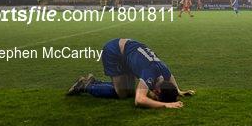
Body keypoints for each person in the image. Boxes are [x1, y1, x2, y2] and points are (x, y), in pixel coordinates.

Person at [67, 38, 195, 109]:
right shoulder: (149, 73)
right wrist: (166, 105)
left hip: (129, 51)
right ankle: (86, 85)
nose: (154, 96)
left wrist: (178, 91)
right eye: (155, 96)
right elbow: (139, 100)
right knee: (122, 93)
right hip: (114, 51)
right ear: (157, 91)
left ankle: (94, 82)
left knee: (129, 90)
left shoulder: (164, 71)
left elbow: (171, 79)